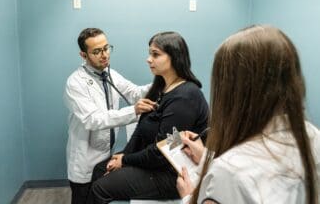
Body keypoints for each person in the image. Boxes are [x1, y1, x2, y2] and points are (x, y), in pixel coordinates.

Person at [176, 25, 320, 204]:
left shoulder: (228, 173)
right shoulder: (313, 136)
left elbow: (240, 174)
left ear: (231, 92)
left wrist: (188, 197)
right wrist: (206, 156)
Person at [86, 31, 209, 203]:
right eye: (149, 53)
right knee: (100, 169)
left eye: (155, 54)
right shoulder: (161, 88)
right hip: (155, 161)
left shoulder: (185, 96)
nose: (148, 59)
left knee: (100, 187)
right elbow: (140, 131)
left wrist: (126, 160)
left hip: (171, 172)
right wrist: (123, 157)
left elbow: (164, 150)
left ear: (174, 56)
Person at [64, 28, 153, 204]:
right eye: (96, 52)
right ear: (83, 55)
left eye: (106, 48)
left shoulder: (110, 74)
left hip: (104, 155)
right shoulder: (75, 83)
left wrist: (161, 82)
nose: (104, 55)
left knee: (99, 199)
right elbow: (94, 119)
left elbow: (134, 92)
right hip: (85, 160)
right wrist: (133, 111)